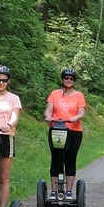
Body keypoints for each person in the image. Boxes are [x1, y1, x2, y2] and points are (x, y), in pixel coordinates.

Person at [43, 67, 86, 199]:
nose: (68, 80)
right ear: (62, 79)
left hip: (74, 131)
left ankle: (68, 191)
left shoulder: (79, 96)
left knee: (70, 159)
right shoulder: (54, 94)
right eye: (66, 78)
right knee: (56, 159)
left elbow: (82, 112)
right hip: (56, 130)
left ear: (74, 81)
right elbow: (48, 110)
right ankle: (54, 191)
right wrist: (48, 117)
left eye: (71, 78)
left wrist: (76, 117)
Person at [0, 65, 23, 207]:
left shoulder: (13, 98)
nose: (1, 82)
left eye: (4, 80)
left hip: (6, 138)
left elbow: (16, 116)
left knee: (3, 177)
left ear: (8, 81)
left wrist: (9, 124)